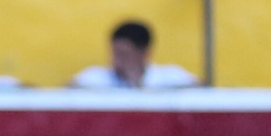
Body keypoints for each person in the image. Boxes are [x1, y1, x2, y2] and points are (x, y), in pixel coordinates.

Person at [70, 20, 198, 89]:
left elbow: (199, 89)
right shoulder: (96, 77)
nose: (116, 59)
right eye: (114, 53)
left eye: (124, 54)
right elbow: (70, 90)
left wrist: (140, 87)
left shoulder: (169, 76)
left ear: (143, 52)